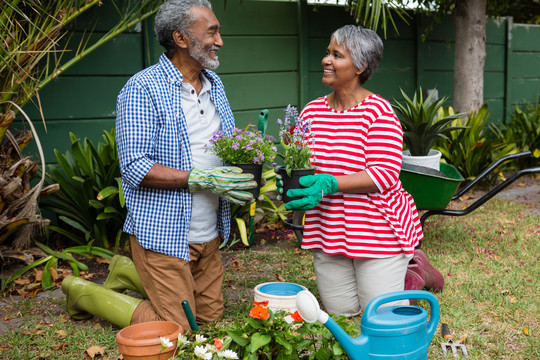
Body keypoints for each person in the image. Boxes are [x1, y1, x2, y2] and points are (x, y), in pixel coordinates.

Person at [61, 0, 257, 331]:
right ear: (181, 38)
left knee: (210, 321)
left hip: (207, 233)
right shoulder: (142, 89)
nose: (220, 40)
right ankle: (84, 293)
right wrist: (200, 179)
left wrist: (246, 171)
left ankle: (125, 272)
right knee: (179, 330)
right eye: (212, 31)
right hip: (164, 235)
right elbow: (136, 167)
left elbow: (222, 145)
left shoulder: (214, 84)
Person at [276, 25, 443, 316]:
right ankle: (403, 274)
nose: (326, 60)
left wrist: (328, 183)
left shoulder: (378, 112)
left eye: (336, 55)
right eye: (327, 53)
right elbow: (300, 163)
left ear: (360, 66)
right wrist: (292, 184)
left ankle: (415, 270)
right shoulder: (311, 112)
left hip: (377, 227)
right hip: (328, 227)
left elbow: (384, 174)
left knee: (378, 314)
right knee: (343, 311)